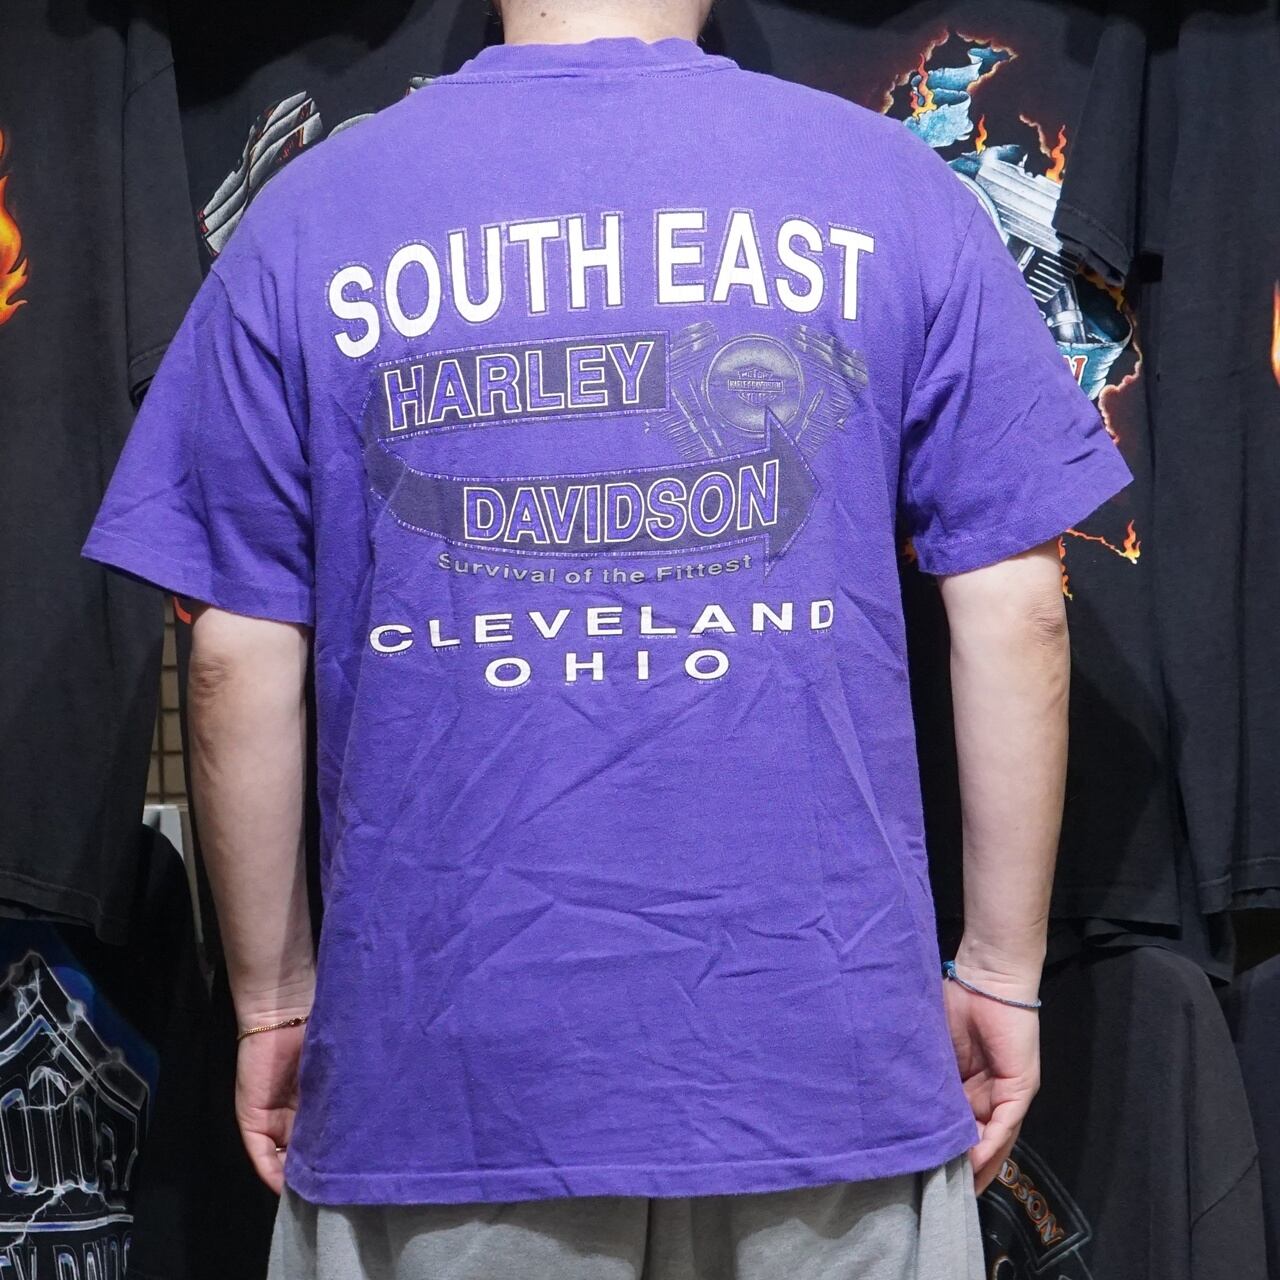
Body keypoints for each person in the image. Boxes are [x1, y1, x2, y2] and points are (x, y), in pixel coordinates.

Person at [82, 1, 1133, 1276]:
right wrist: (1001, 970)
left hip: (443, 1065)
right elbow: (1017, 603)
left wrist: (273, 1000)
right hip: (821, 1050)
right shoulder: (889, 188)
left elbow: (235, 652)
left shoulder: (310, 214)